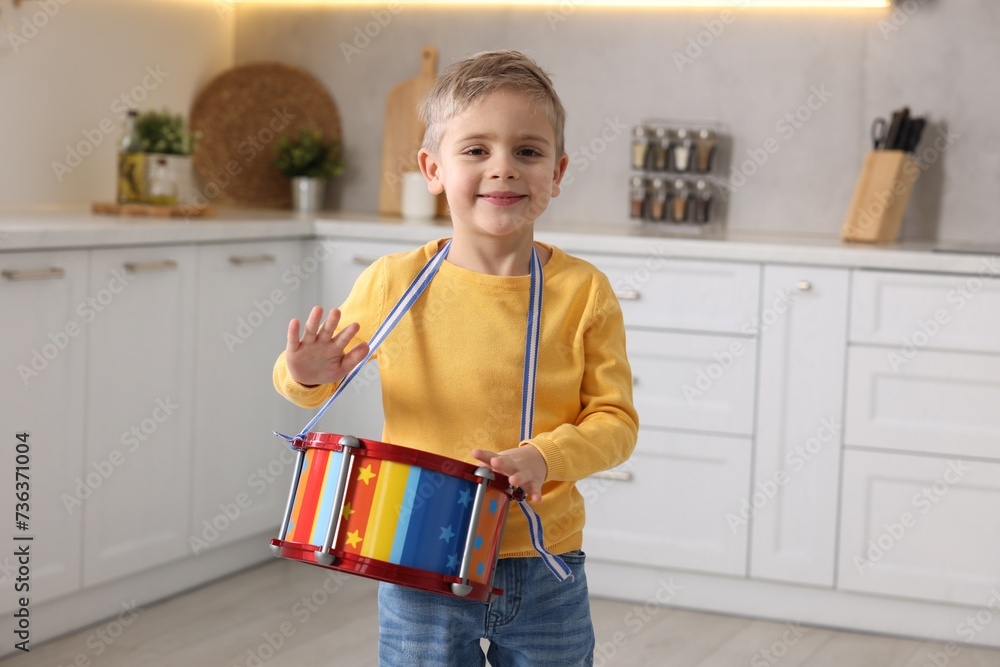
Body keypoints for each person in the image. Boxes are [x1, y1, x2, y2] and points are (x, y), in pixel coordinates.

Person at [273, 49, 638, 666]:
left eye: (528, 151)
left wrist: (543, 456)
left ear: (558, 171)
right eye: (476, 150)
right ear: (432, 169)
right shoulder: (394, 281)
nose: (504, 169)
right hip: (418, 556)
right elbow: (306, 382)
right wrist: (305, 376)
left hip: (544, 562)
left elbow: (616, 423)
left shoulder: (584, 292)